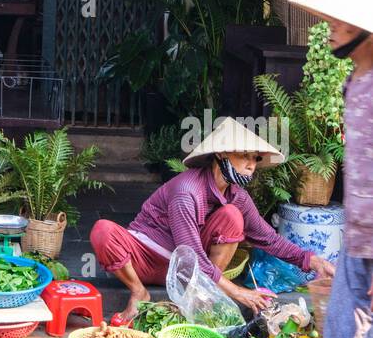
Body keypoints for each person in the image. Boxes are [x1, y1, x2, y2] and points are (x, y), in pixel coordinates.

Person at [90, 116, 335, 325]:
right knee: (103, 230)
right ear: (220, 154)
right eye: (244, 156)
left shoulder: (237, 196)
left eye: (255, 158)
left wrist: (312, 261)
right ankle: (138, 292)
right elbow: (193, 254)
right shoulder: (187, 191)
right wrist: (238, 292)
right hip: (144, 259)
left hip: (185, 272)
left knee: (232, 216)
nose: (251, 165)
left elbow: (267, 237)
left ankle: (202, 293)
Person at [286, 0, 373, 338]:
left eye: (343, 21)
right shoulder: (357, 80)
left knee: (346, 332)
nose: (332, 28)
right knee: (345, 330)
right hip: (360, 237)